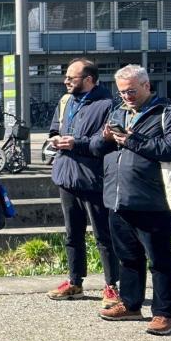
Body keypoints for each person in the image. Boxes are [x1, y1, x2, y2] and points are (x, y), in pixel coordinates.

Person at [91, 65, 171, 336]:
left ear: (147, 86)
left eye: (132, 91)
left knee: (159, 260)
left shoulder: (169, 113)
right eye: (122, 92)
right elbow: (96, 149)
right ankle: (131, 304)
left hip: (153, 201)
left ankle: (163, 314)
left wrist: (132, 140)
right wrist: (103, 139)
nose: (127, 97)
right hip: (117, 199)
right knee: (127, 258)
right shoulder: (118, 112)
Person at [44, 58, 119, 305]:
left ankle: (112, 286)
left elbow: (105, 142)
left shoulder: (108, 104)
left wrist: (77, 143)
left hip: (94, 179)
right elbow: (55, 128)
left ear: (88, 80)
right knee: (72, 234)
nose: (65, 81)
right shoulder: (65, 101)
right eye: (66, 76)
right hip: (66, 175)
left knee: (103, 236)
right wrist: (55, 138)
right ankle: (75, 282)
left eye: (71, 78)